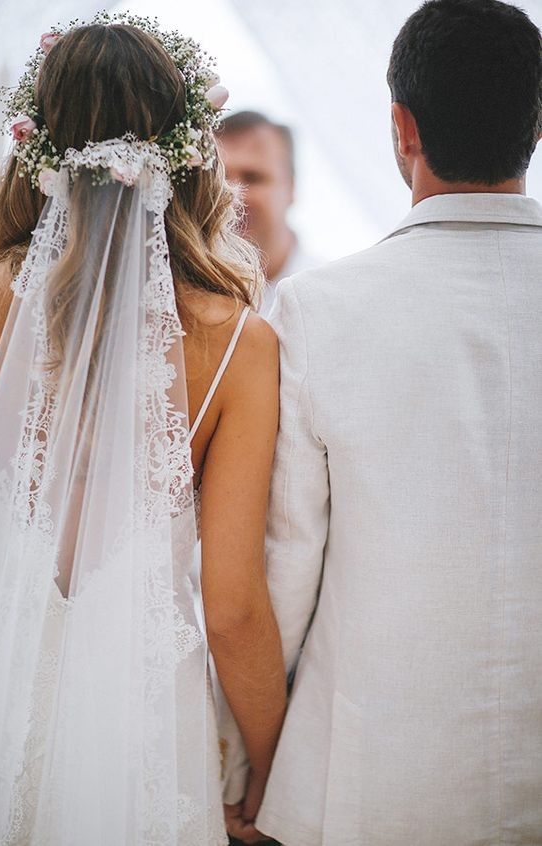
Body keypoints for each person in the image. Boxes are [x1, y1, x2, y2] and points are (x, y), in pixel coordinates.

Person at [225, 0, 542, 843]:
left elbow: (286, 563)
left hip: (372, 783)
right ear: (535, 123)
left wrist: (251, 761)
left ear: (401, 126)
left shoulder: (321, 311)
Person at [0, 17, 286, 845]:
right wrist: (270, 767)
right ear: (188, 154)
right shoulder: (239, 345)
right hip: (144, 720)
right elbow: (231, 605)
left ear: (36, 146)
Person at [217, 111, 318, 316]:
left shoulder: (326, 290)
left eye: (252, 178)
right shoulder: (177, 295)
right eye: (220, 179)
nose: (232, 196)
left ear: (290, 188)